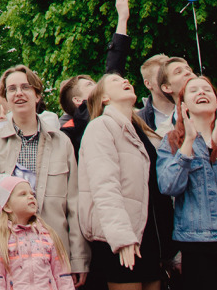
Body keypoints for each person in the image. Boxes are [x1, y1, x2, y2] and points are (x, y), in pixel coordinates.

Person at [0, 65, 87, 284]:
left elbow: (74, 206)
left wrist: (78, 259)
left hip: (53, 259)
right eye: (11, 89)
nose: (18, 93)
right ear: (5, 98)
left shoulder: (61, 142)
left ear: (37, 94)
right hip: (5, 259)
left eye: (25, 87)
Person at [154, 75, 217, 286]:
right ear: (184, 105)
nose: (201, 93)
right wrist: (188, 142)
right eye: (194, 90)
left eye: (207, 90)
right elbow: (168, 186)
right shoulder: (171, 140)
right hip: (197, 244)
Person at [76, 75, 161, 290]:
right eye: (115, 80)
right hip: (119, 239)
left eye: (125, 79)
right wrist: (122, 239)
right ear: (103, 97)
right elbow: (104, 186)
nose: (125, 81)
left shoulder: (141, 131)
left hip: (147, 235)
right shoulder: (100, 127)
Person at [0, 175, 73, 290]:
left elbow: (63, 276)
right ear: (7, 206)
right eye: (23, 194)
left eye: (32, 194)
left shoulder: (47, 235)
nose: (31, 197)